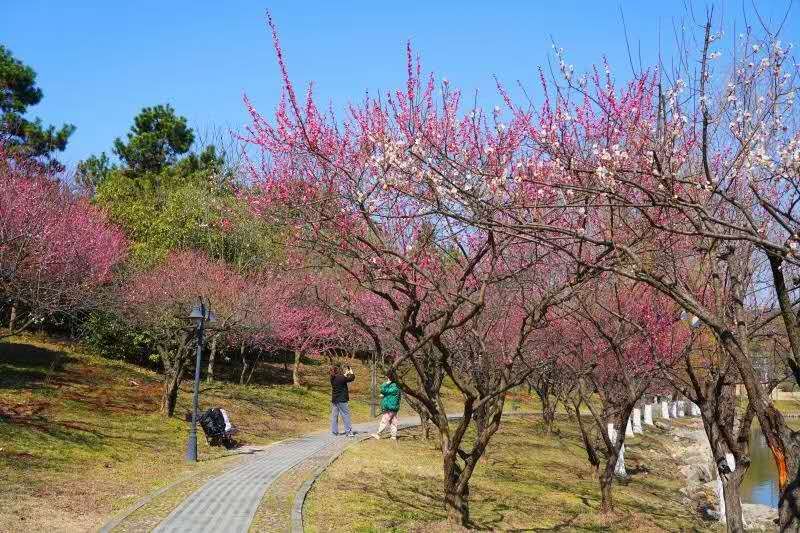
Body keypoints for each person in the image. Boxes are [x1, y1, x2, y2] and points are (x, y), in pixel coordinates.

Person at [371, 372, 401, 440]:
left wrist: (386, 384)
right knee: (393, 422)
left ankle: (378, 434)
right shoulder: (396, 386)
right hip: (393, 407)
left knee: (384, 420)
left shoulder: (394, 386)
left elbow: (383, 390)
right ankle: (393, 436)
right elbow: (387, 393)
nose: (387, 379)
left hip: (390, 407)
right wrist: (385, 395)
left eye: (388, 377)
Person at [330, 364, 355, 437]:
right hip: (342, 400)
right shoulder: (341, 378)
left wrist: (346, 373)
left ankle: (334, 432)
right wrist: (351, 371)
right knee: (346, 415)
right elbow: (352, 378)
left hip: (335, 400)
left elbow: (343, 377)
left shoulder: (332, 377)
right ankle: (349, 432)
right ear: (339, 371)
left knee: (334, 416)